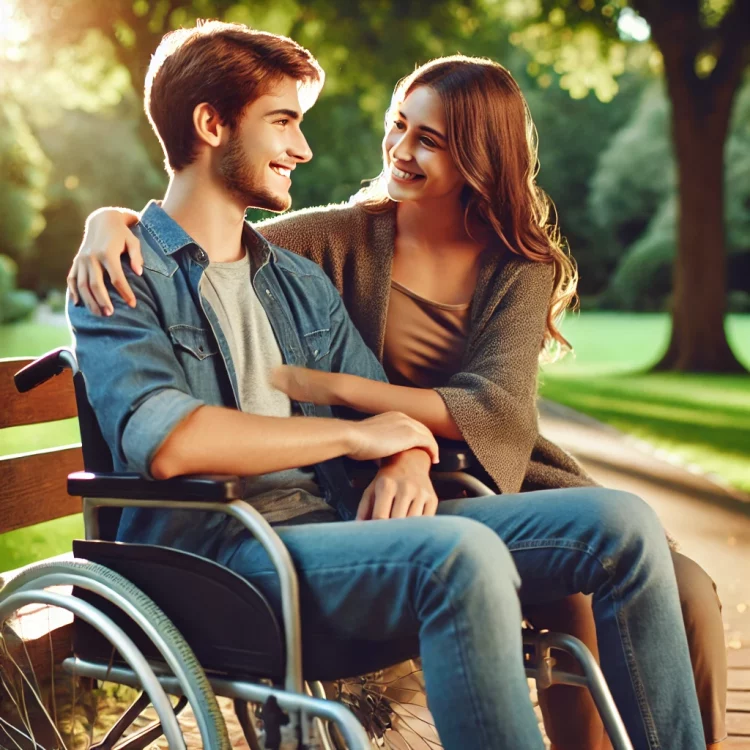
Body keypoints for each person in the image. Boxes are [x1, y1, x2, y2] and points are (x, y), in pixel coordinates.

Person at [67, 23, 706, 749]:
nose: (303, 150)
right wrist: (357, 433)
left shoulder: (298, 279)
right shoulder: (119, 276)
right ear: (211, 124)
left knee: (620, 524)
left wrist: (403, 455)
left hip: (335, 527)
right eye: (284, 123)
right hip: (223, 556)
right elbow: (172, 443)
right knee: (459, 555)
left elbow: (396, 421)